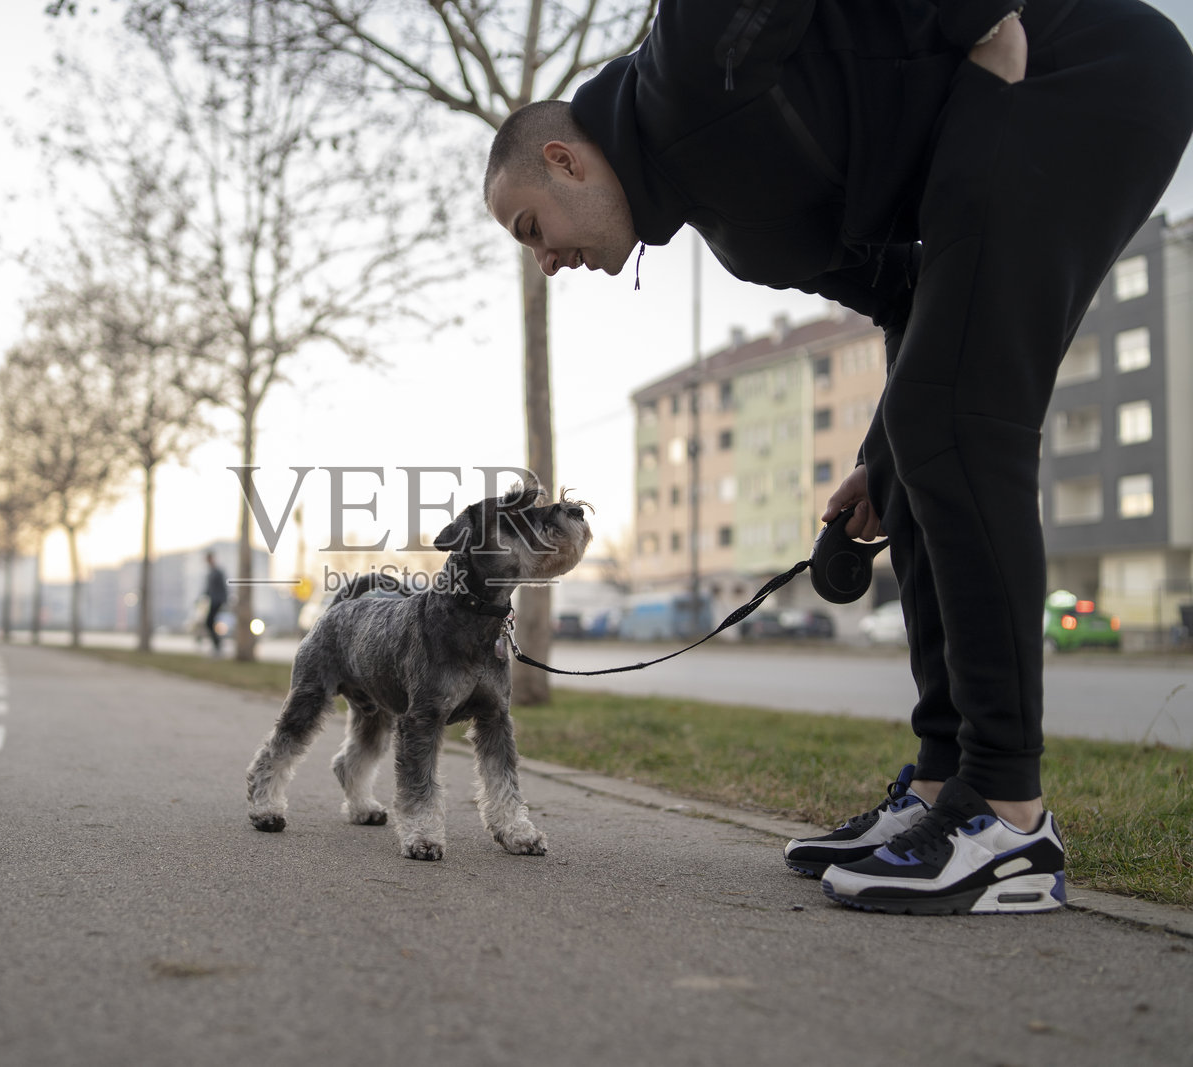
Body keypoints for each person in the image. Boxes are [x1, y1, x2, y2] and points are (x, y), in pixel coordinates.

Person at [484, 0, 1193, 914]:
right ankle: (944, 793)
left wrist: (981, 16)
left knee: (961, 430)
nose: (543, 261)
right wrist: (879, 458)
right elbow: (910, 297)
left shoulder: (692, 52)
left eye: (531, 229)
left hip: (1068, 69)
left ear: (563, 159)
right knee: (924, 447)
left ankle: (1011, 822)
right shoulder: (745, 240)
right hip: (990, 136)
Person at [203, 552, 228, 656]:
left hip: (217, 601)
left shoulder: (218, 572)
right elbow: (208, 590)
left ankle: (218, 644)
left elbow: (224, 587)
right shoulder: (210, 573)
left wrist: (224, 600)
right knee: (210, 623)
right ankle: (217, 644)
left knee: (209, 622)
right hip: (212, 601)